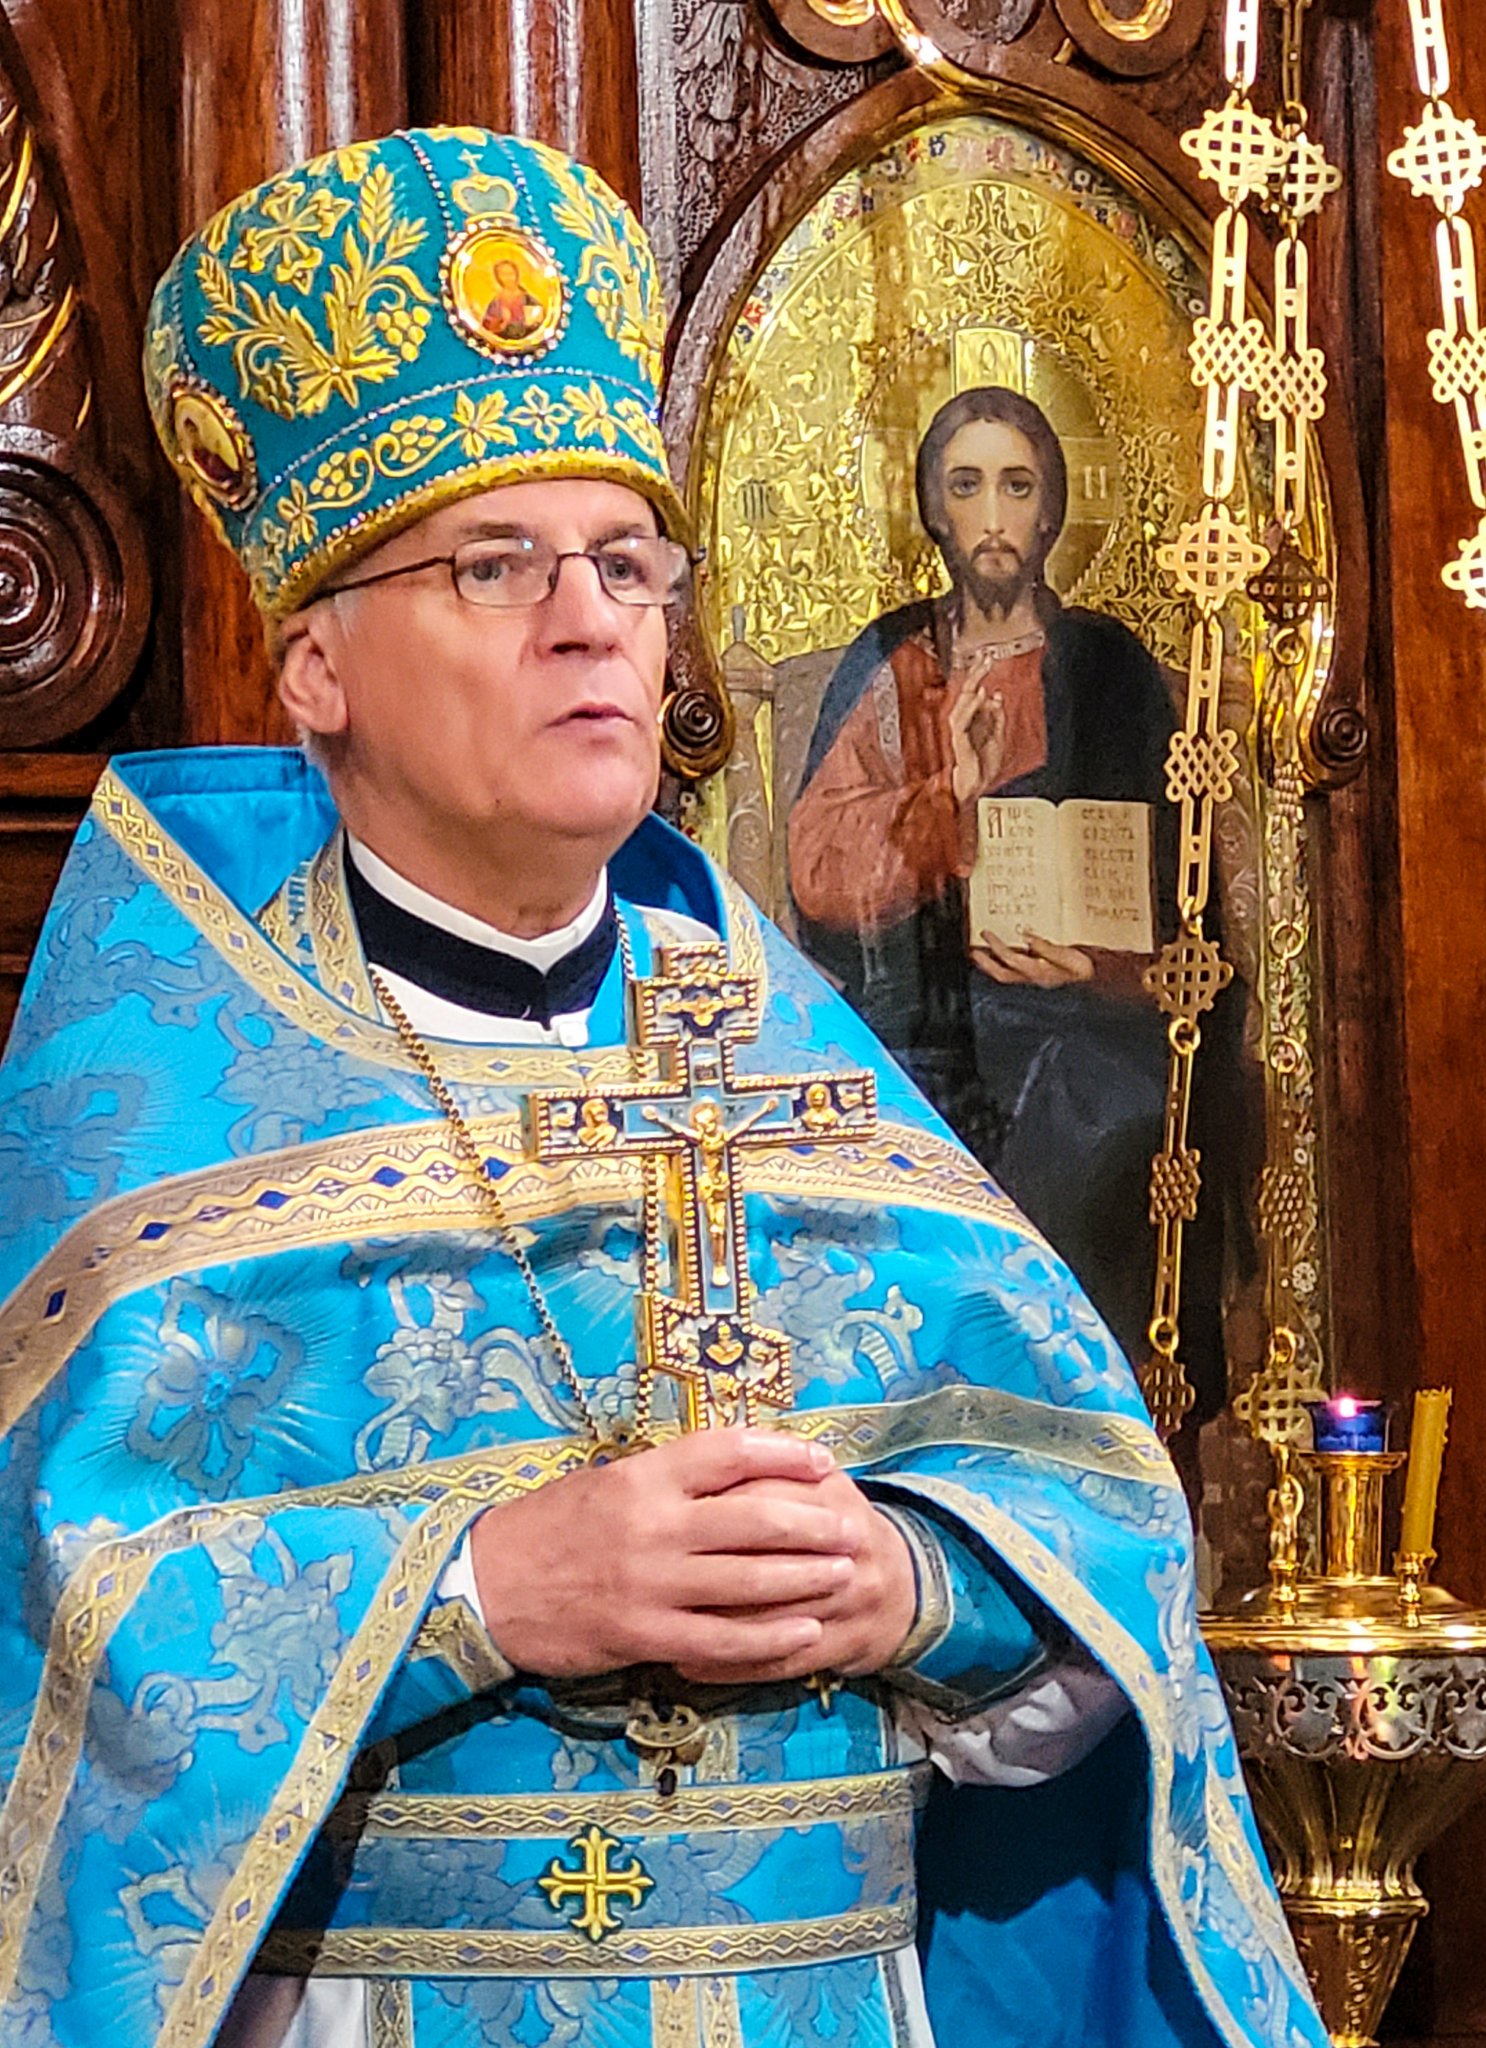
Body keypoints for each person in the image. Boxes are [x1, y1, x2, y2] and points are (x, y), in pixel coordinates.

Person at [0, 131, 1319, 2048]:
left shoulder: (796, 1071)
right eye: (492, 563)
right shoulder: (159, 1110)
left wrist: (905, 1586)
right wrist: (476, 1586)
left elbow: (1092, 1529)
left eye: (626, 560)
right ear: (315, 668)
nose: (588, 615)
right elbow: (43, 1632)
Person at [789, 388, 1242, 1418]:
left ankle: (1084, 1413)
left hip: (1094, 1019)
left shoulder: (1111, 669)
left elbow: (1191, 893)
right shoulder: (898, 661)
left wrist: (1105, 971)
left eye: (1017, 485)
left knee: (1108, 1114)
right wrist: (943, 788)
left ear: (1052, 512)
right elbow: (819, 870)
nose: (993, 515)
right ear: (935, 512)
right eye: (967, 485)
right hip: (924, 1021)